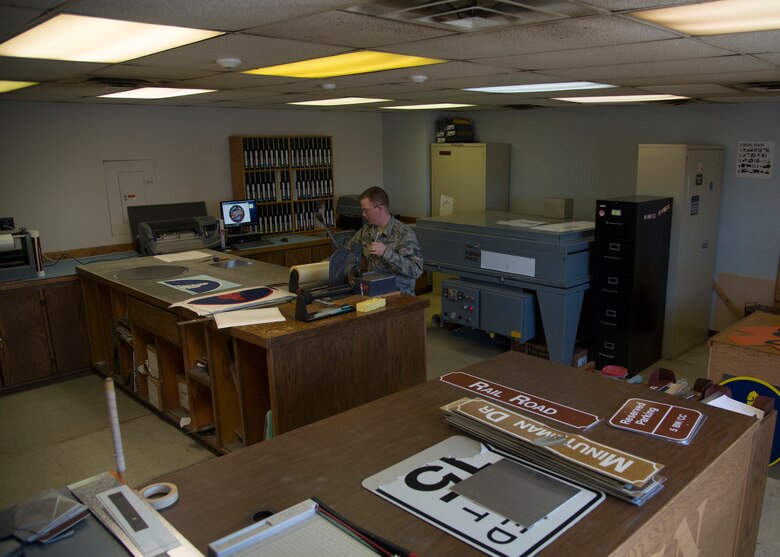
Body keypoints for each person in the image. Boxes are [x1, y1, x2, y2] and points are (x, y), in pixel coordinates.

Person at [342, 186, 423, 295]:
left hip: (400, 297)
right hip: (373, 294)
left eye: (366, 210)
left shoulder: (404, 233)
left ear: (380, 208)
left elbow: (416, 271)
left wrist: (386, 252)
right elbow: (347, 252)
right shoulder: (367, 230)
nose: (363, 215)